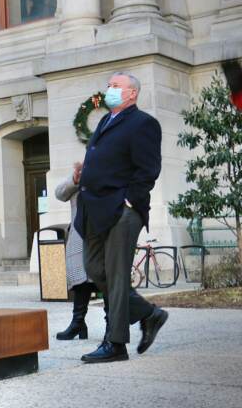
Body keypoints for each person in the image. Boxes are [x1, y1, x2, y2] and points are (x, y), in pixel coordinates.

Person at [75, 73, 168, 363]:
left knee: (115, 277)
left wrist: (129, 202)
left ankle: (115, 344)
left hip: (121, 210)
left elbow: (148, 169)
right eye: (109, 85)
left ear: (132, 94)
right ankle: (148, 314)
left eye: (116, 86)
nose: (109, 90)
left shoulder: (144, 123)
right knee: (95, 270)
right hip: (94, 209)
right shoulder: (105, 121)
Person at [55, 161, 108, 340]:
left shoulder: (105, 177)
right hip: (79, 237)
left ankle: (111, 325)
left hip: (101, 236)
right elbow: (59, 193)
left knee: (104, 281)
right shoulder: (78, 181)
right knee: (80, 282)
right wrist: (74, 179)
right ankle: (78, 323)